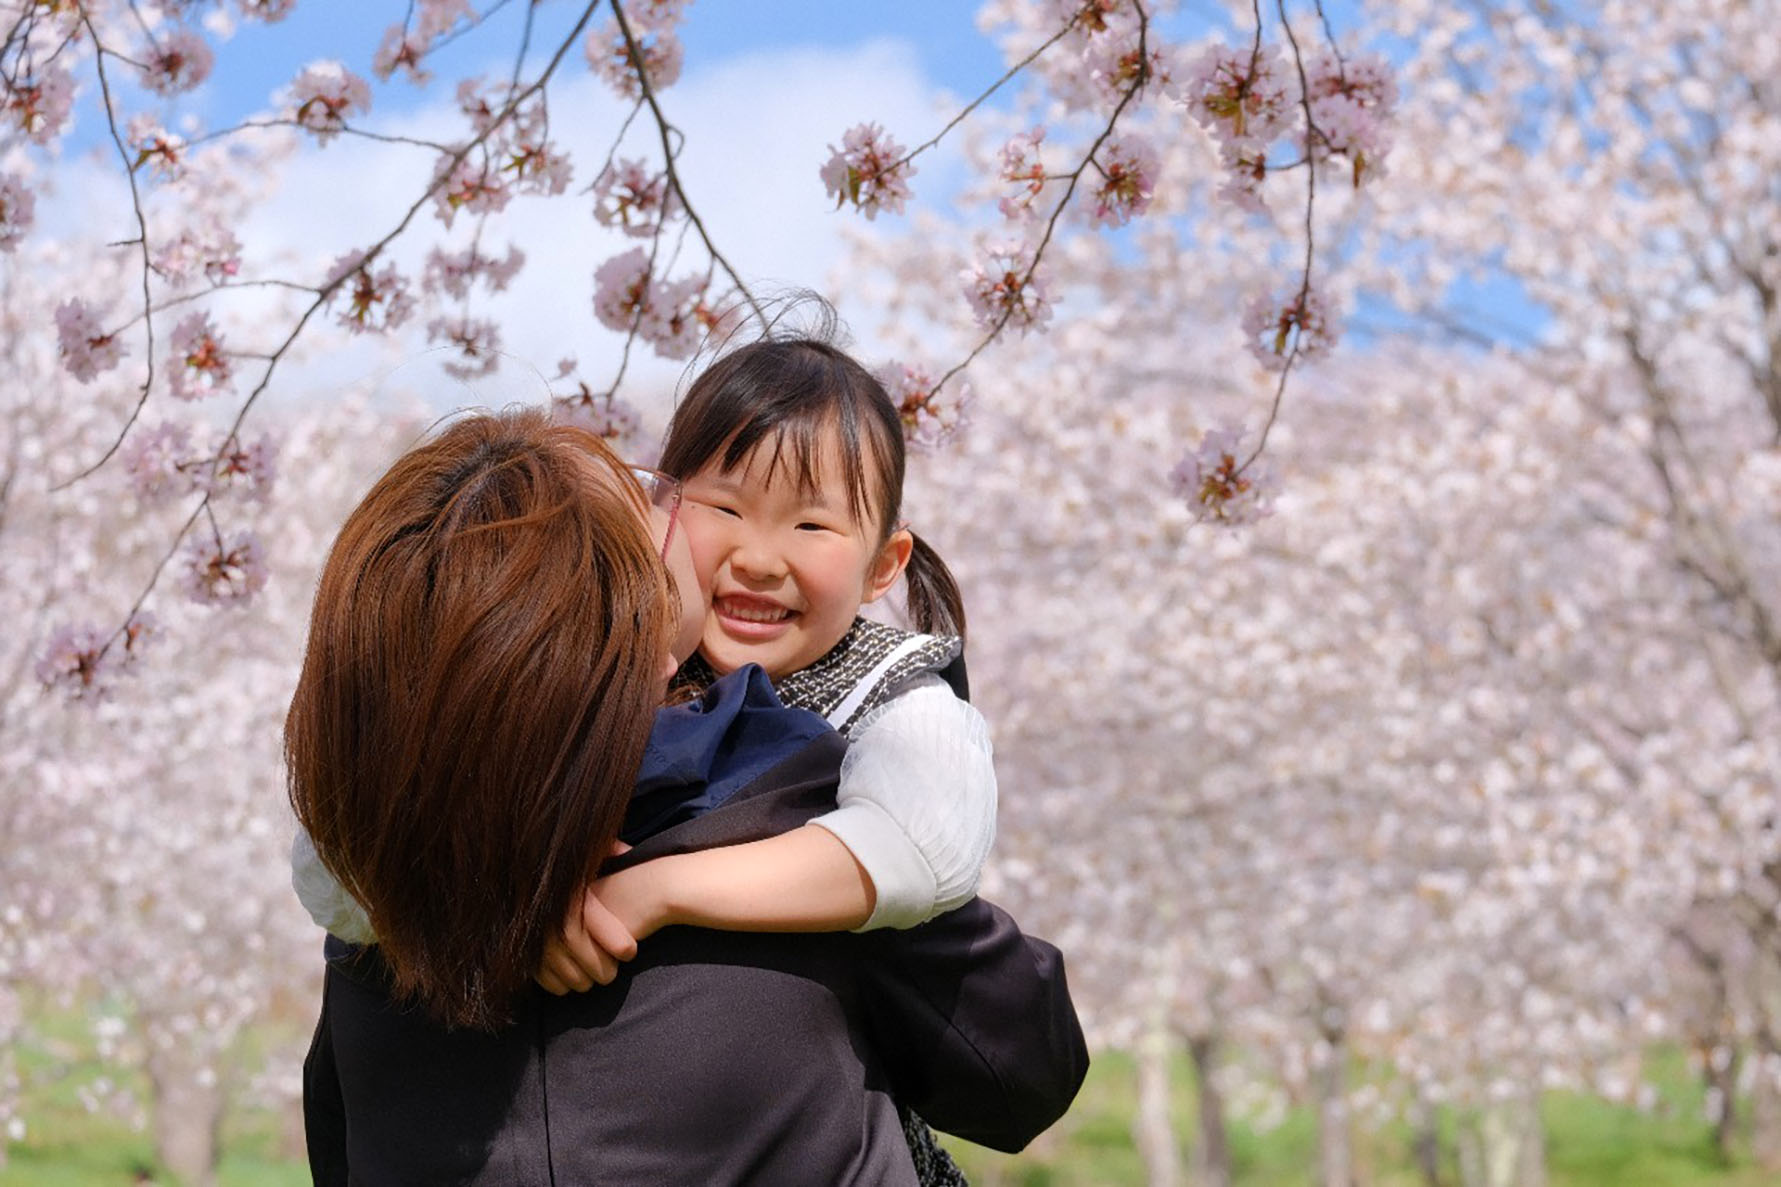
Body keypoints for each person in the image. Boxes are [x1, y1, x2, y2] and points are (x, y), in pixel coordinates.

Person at [289, 409, 1088, 1184]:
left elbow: (339, 1137)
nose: (752, 557)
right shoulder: (797, 815)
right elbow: (1021, 1070)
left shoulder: (365, 889)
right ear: (646, 654)